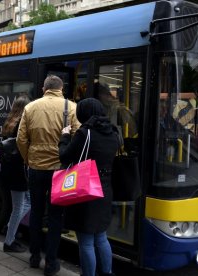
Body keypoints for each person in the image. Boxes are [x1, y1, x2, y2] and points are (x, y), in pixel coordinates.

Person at [17, 75, 80, 275]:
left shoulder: (30, 107)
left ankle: (34, 257)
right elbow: (77, 138)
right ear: (61, 88)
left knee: (36, 212)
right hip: (60, 169)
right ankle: (51, 263)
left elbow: (21, 139)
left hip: (36, 168)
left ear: (44, 88)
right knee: (55, 216)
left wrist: (28, 159)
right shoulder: (71, 107)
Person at [58, 98, 119, 276]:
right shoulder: (113, 132)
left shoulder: (85, 133)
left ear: (82, 114)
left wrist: (65, 137)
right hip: (105, 189)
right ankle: (107, 272)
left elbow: (64, 157)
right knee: (101, 237)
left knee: (85, 240)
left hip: (86, 189)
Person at [0, 95, 31, 253]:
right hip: (19, 170)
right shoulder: (22, 124)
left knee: (24, 202)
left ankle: (9, 227)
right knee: (20, 206)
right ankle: (9, 241)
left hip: (9, 169)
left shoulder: (9, 122)